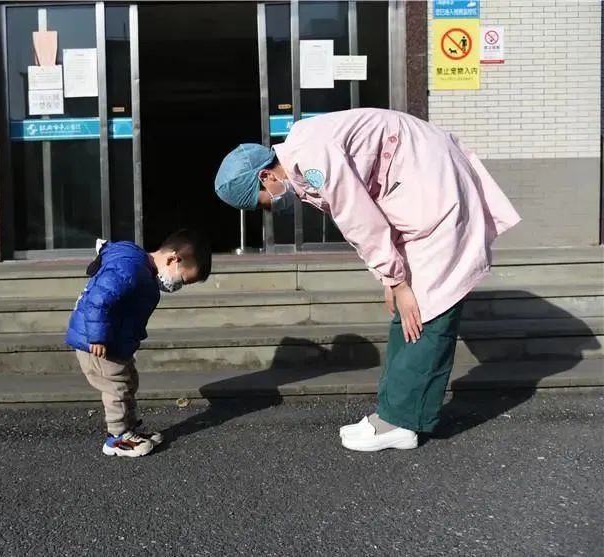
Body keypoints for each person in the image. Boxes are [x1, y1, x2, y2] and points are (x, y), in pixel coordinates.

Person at [214, 108, 520, 452]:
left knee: (427, 309)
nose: (270, 207)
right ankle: (392, 412)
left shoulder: (314, 160)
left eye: (263, 202)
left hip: (433, 189)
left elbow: (360, 220)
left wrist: (397, 282)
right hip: (419, 184)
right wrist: (390, 280)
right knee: (408, 312)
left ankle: (404, 422)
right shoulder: (303, 158)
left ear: (267, 176)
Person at [66, 230, 212, 457]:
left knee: (128, 381)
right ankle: (117, 437)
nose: (177, 286)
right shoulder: (130, 268)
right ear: (173, 259)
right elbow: (98, 299)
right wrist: (97, 336)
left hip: (112, 340)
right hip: (96, 342)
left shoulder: (140, 269)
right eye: (182, 280)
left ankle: (129, 429)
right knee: (116, 386)